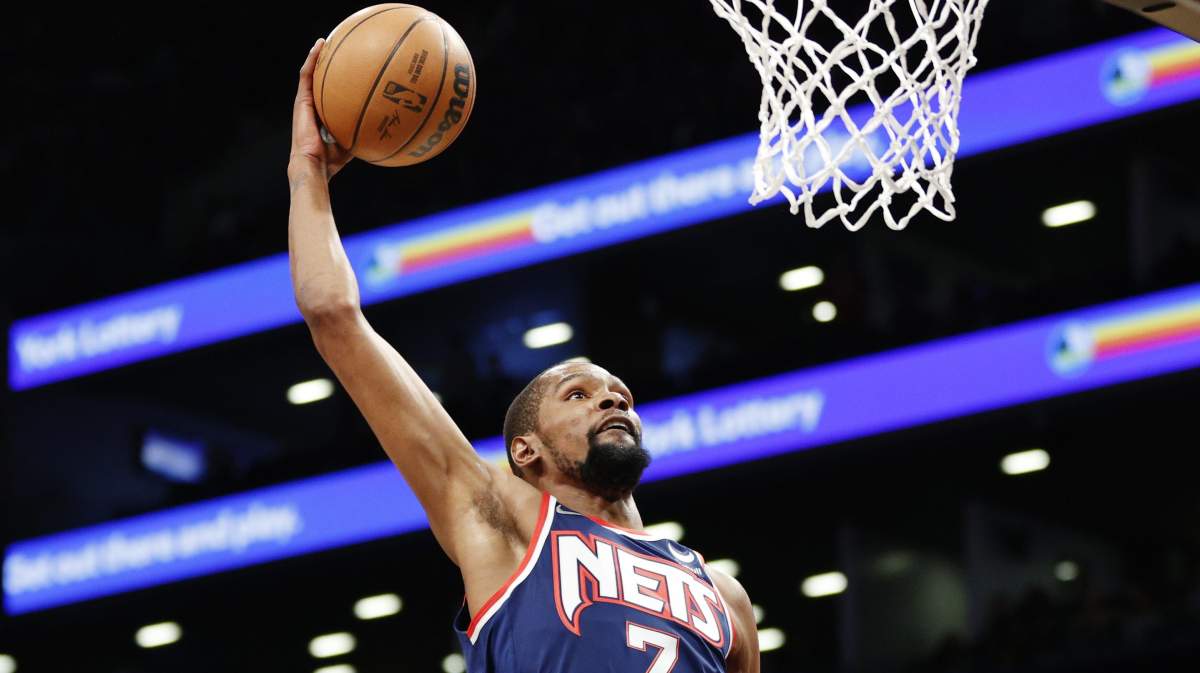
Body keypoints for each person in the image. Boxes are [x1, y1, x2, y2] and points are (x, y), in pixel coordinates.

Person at [287, 38, 759, 673]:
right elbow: (333, 316)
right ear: (525, 450)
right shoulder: (501, 517)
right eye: (578, 394)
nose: (611, 399)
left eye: (617, 393)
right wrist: (307, 172)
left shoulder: (725, 596)